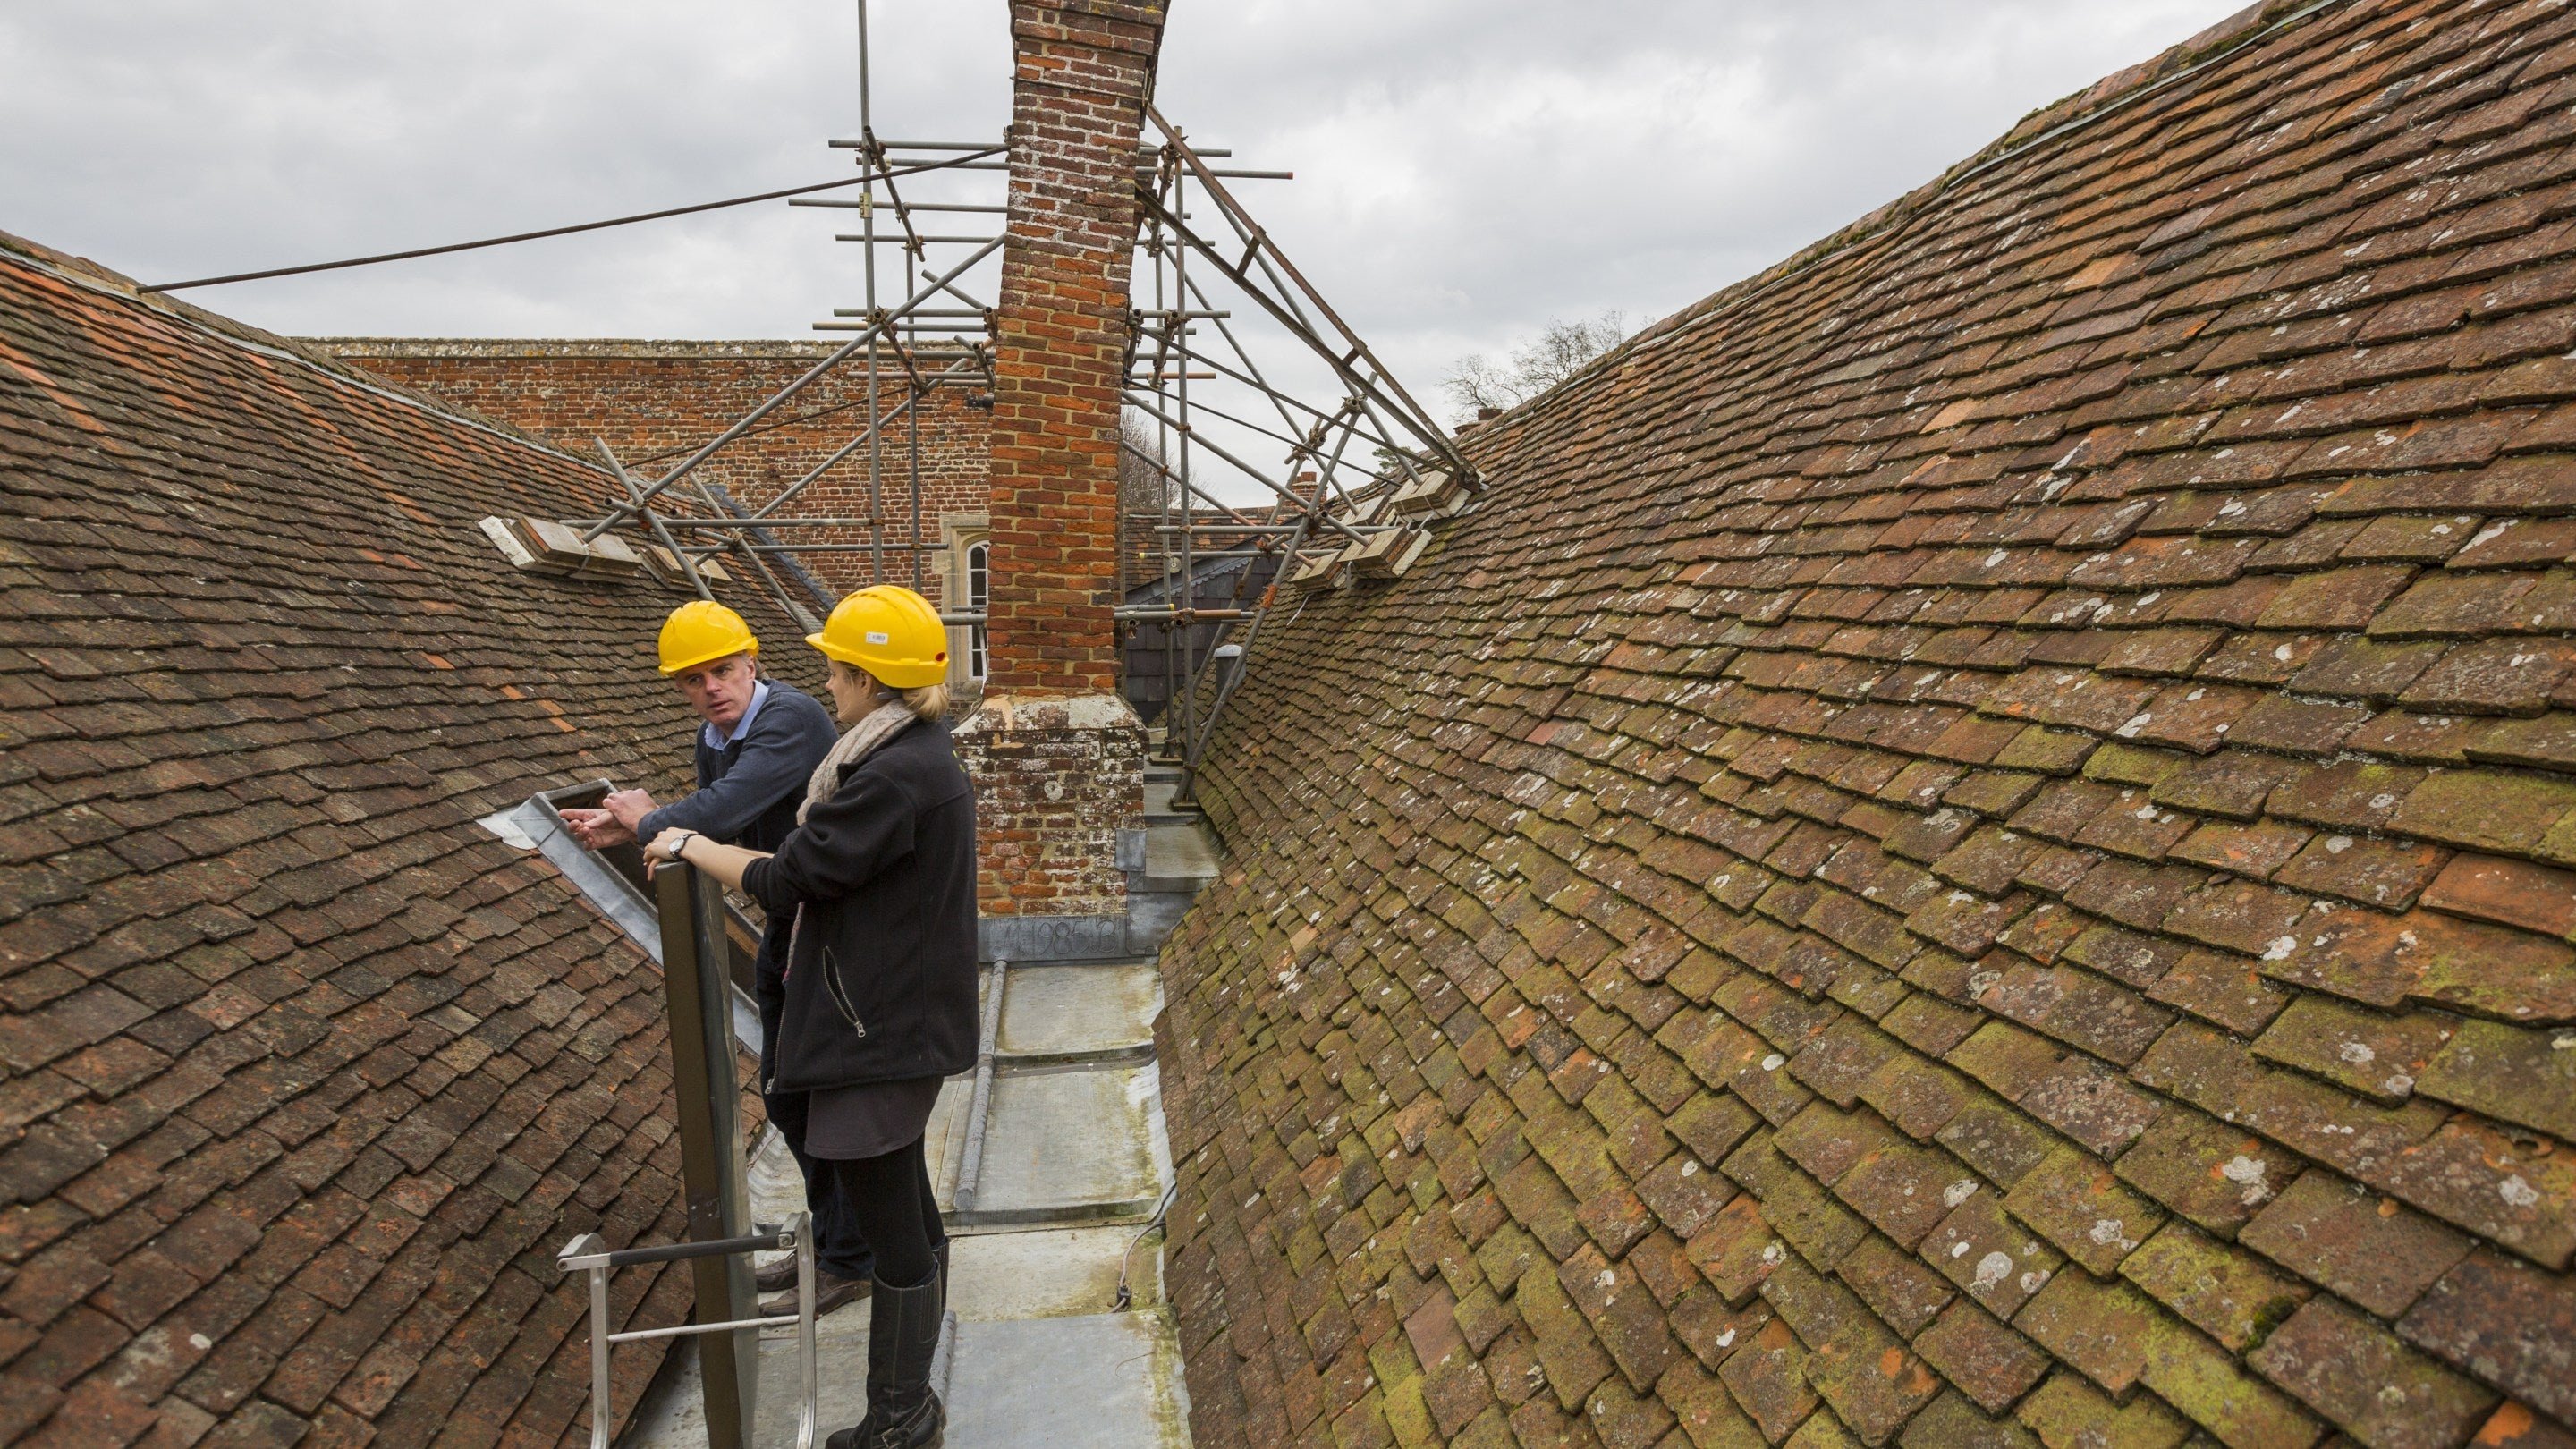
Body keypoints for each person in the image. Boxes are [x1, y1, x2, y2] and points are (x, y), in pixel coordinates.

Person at [646, 584, 974, 1449]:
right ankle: (910, 1410)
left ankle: (900, 1420)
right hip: (892, 1022)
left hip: (881, 1033)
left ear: (867, 678)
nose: (826, 682)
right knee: (908, 1215)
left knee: (896, 1232)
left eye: (835, 667)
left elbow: (794, 874)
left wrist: (692, 845)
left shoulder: (895, 774)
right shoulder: (902, 754)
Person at [560, 599, 879, 1316]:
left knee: (814, 1094)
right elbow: (716, 814)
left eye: (724, 671)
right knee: (785, 1091)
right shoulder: (717, 735)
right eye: (695, 679)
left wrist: (645, 818)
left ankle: (851, 1258)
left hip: (832, 935)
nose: (712, 688)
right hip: (787, 922)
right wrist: (632, 830)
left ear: (751, 665)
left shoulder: (791, 720)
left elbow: (718, 809)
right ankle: (835, 1246)